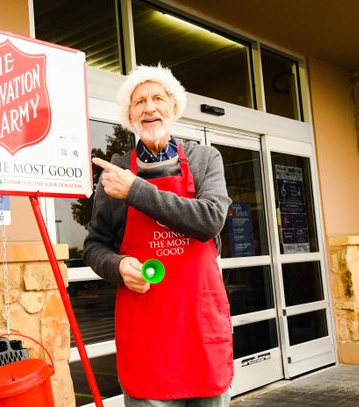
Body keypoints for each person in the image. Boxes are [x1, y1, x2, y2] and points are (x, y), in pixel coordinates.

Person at [83, 65, 233, 406]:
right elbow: (94, 246)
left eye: (157, 98)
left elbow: (209, 220)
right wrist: (118, 266)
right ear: (129, 115)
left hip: (200, 326)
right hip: (147, 330)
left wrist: (135, 189)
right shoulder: (116, 171)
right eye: (139, 102)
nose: (149, 108)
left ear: (174, 108)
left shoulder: (203, 158)